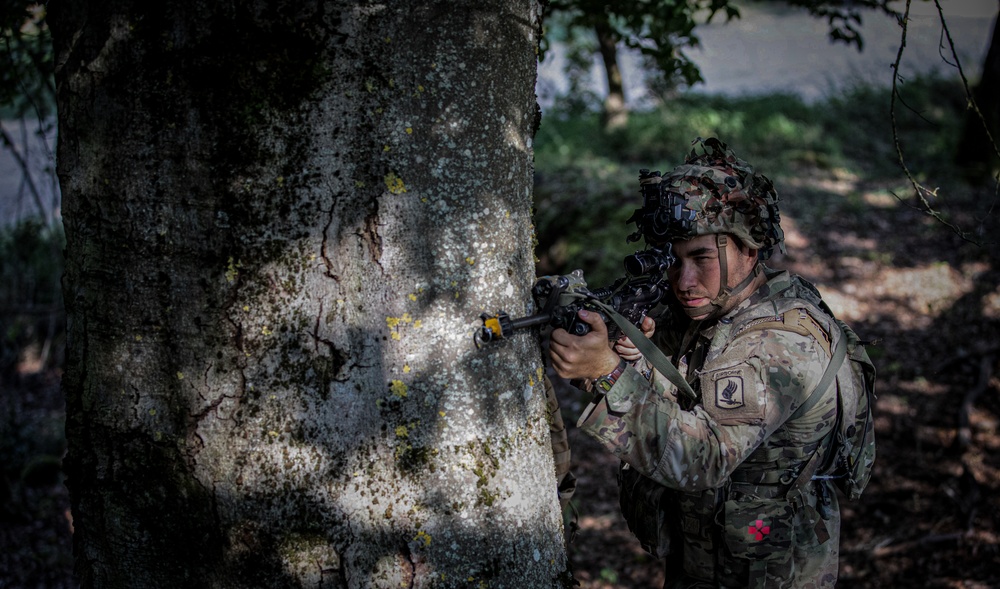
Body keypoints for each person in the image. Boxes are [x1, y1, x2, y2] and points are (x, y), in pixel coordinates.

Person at [548, 137, 868, 588]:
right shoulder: (716, 310)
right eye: (673, 261)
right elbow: (685, 399)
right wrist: (631, 359)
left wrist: (607, 372)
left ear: (750, 250)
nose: (684, 280)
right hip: (706, 560)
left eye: (701, 258)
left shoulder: (778, 343)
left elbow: (703, 457)